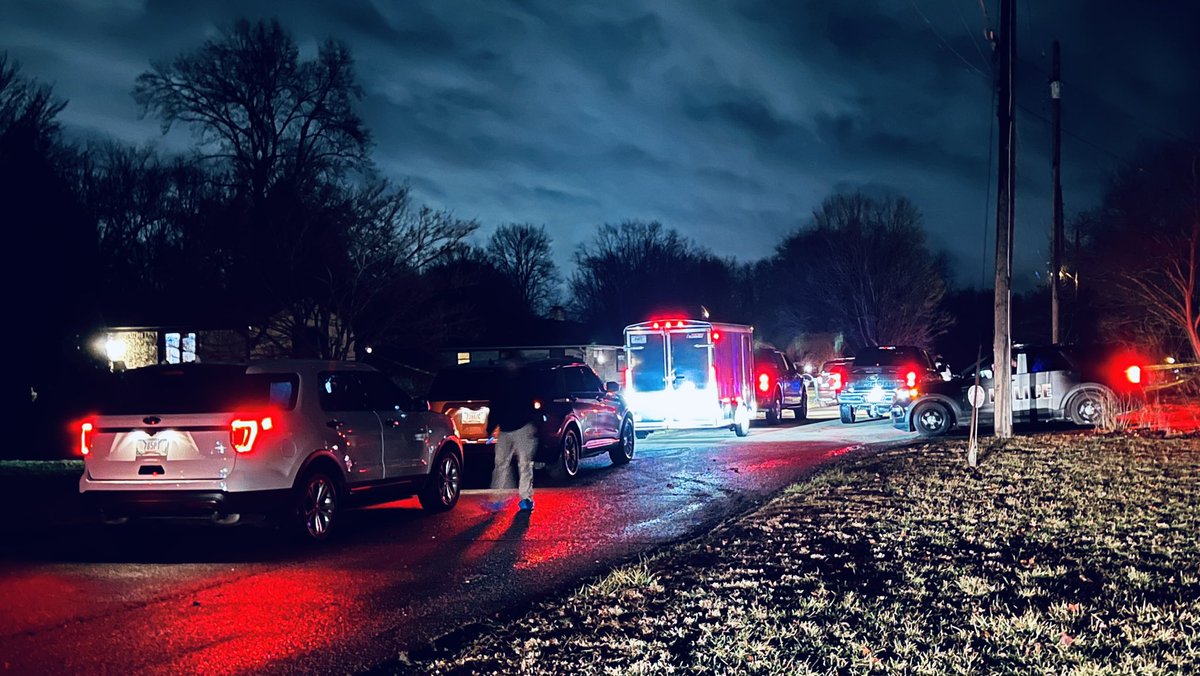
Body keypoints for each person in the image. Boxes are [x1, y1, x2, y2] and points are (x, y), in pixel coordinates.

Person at [487, 361, 541, 511]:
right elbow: (495, 406)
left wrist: (534, 423)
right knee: (501, 463)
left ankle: (526, 498)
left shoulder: (524, 382)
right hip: (507, 428)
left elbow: (534, 403)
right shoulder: (502, 384)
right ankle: (498, 498)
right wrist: (490, 428)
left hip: (522, 427)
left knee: (523, 463)